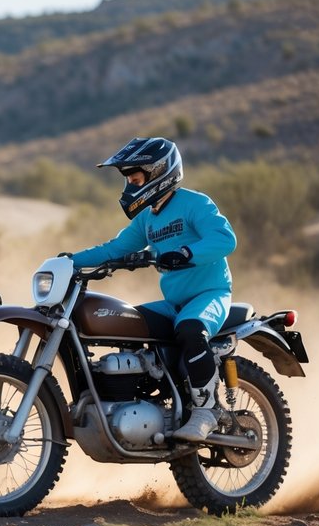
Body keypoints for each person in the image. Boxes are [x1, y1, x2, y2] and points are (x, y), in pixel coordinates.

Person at [67, 136, 237, 442]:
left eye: (135, 178)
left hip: (209, 294)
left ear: (159, 172)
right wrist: (67, 261)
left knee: (190, 329)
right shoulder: (148, 218)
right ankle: (151, 403)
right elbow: (114, 248)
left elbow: (226, 240)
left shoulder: (195, 203)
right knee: (127, 327)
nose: (130, 186)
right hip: (173, 302)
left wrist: (186, 253)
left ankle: (207, 411)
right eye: (129, 180)